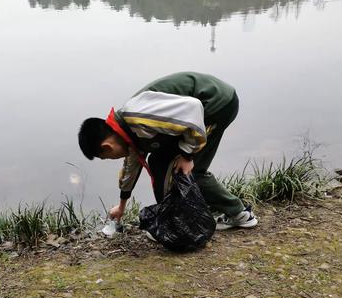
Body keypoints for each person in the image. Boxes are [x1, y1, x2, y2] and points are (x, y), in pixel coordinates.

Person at [77, 71, 258, 230]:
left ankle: (240, 214)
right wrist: (122, 206)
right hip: (196, 116)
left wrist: (188, 155)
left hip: (216, 103)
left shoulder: (136, 117)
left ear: (106, 147)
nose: (114, 159)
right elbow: (131, 167)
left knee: (191, 171)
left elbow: (193, 108)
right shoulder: (125, 131)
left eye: (108, 158)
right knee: (158, 161)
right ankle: (171, 218)